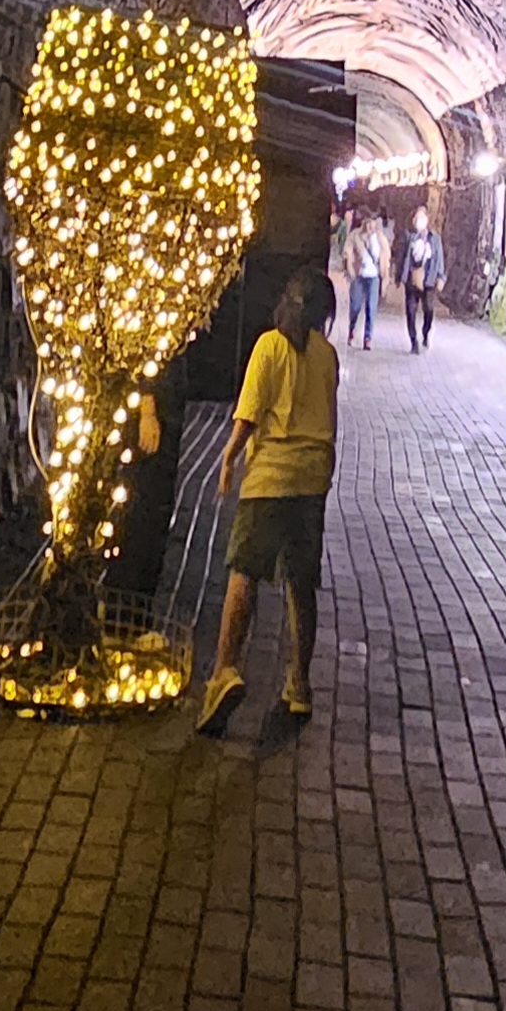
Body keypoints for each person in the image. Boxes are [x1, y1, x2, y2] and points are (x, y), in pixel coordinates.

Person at [197, 267, 340, 732]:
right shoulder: (327, 355)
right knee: (301, 584)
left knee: (244, 571)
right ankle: (299, 684)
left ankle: (225, 670)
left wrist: (228, 458)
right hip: (312, 479)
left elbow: (249, 414)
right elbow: (330, 419)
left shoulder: (268, 346)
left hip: (270, 478)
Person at [393, 203, 446, 350]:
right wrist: (398, 276)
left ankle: (425, 332)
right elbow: (401, 257)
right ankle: (413, 341)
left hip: (429, 278)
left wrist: (441, 276)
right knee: (411, 310)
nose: (419, 220)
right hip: (412, 278)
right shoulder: (408, 236)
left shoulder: (434, 238)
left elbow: (439, 257)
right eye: (417, 218)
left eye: (422, 217)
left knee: (429, 309)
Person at [343, 209, 385, 349]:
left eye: (373, 222)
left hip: (374, 277)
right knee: (355, 306)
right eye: (368, 222)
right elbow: (347, 250)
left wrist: (385, 275)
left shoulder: (379, 237)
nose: (370, 225)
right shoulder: (355, 235)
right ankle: (351, 330)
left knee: (371, 308)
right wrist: (349, 266)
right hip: (359, 276)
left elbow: (385, 254)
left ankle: (368, 338)